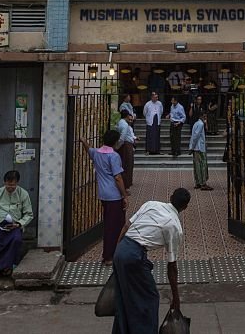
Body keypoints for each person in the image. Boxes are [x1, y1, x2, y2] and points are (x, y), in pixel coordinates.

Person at [111, 188, 191, 334]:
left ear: (170, 196)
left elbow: (125, 227)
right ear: (185, 207)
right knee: (149, 298)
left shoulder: (151, 204)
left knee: (124, 297)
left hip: (122, 249)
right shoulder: (174, 227)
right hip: (133, 256)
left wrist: (117, 252)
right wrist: (176, 298)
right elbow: (171, 267)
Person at [79, 131, 128, 266]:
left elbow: (89, 149)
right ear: (116, 142)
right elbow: (118, 177)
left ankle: (111, 253)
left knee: (110, 224)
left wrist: (83, 140)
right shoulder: (113, 156)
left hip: (103, 194)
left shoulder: (97, 153)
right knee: (115, 226)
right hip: (114, 195)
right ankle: (109, 256)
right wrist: (124, 195)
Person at [190, 114, 213, 191]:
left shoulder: (196, 123)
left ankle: (198, 182)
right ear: (202, 117)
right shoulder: (200, 124)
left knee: (197, 165)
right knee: (202, 165)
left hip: (196, 147)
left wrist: (192, 147)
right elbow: (196, 136)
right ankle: (203, 183)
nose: (206, 118)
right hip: (199, 148)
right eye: (205, 117)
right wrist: (192, 147)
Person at [116, 109, 137, 189]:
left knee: (125, 164)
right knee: (127, 164)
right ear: (127, 116)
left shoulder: (120, 123)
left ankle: (126, 183)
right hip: (126, 145)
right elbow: (122, 137)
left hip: (125, 145)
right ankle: (126, 184)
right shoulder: (124, 125)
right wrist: (118, 146)